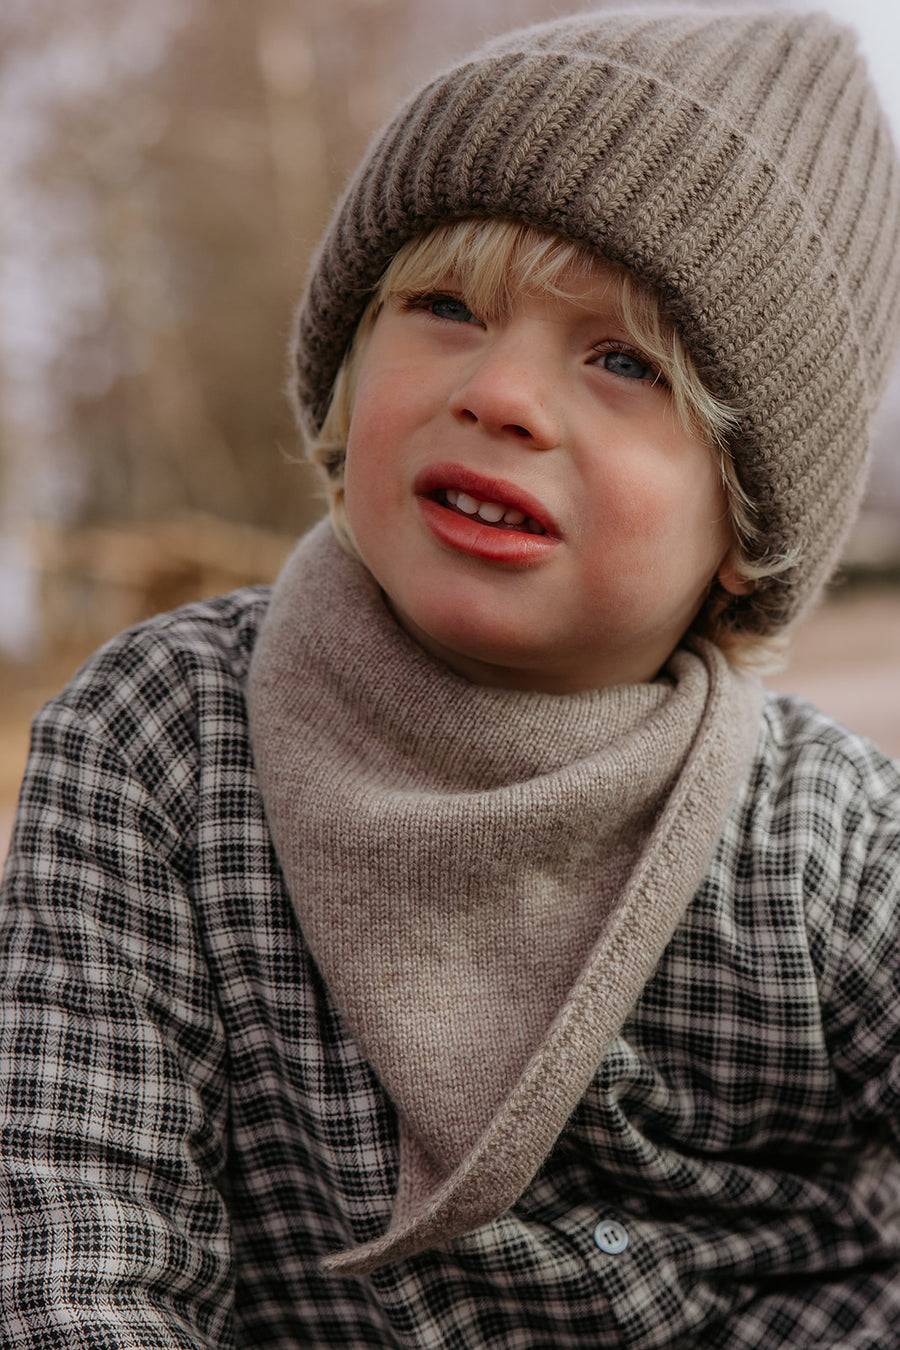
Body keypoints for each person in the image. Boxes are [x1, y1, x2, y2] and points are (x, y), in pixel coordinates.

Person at [1, 7, 899, 1346]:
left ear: (745, 525)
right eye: (444, 305)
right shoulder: (158, 743)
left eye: (620, 360)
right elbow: (77, 1252)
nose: (504, 393)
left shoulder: (831, 841)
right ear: (346, 371)